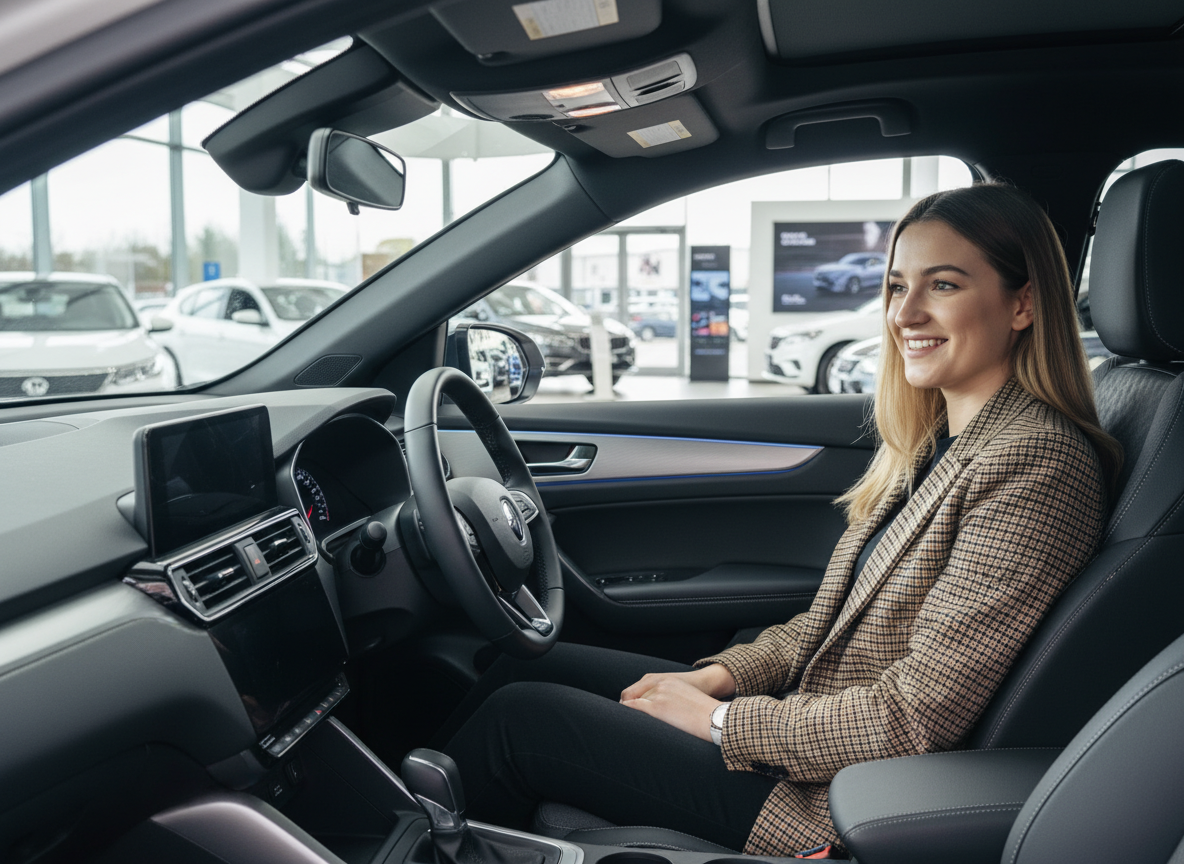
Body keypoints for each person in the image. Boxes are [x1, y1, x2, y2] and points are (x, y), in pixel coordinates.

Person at [437, 183, 1121, 857]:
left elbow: (913, 718)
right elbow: (828, 623)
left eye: (942, 285)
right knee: (520, 661)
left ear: (1023, 303)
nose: (905, 313)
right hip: (808, 726)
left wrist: (718, 721)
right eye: (895, 287)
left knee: (520, 722)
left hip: (836, 795)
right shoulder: (935, 440)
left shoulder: (1036, 461)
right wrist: (721, 676)